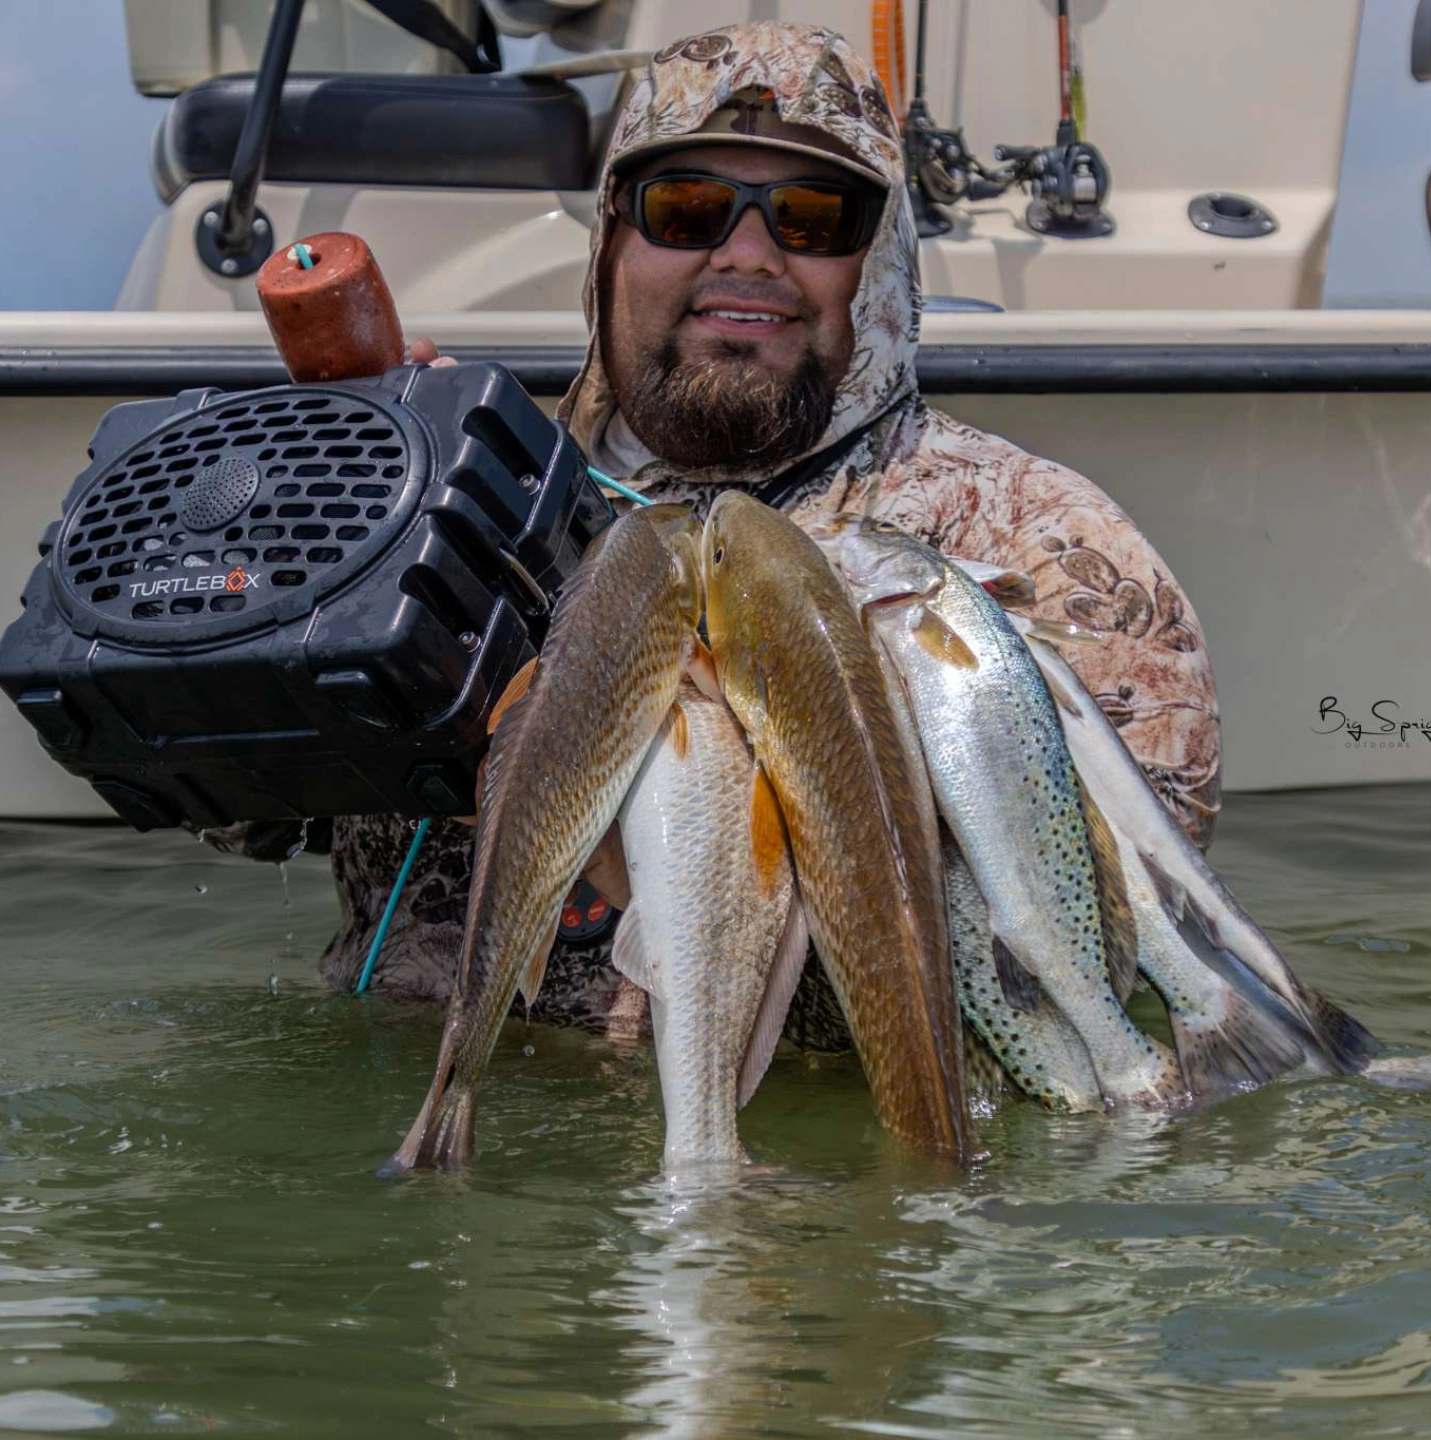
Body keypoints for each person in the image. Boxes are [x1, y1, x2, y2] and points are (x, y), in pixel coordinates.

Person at [239, 22, 1219, 1050]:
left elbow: (1087, 967)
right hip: (408, 1137)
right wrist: (337, 523)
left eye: (813, 216)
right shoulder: (464, 491)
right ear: (612, 235)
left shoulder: (1042, 544)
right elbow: (233, 811)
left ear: (876, 263)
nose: (748, 255)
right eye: (689, 207)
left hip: (820, 1185)